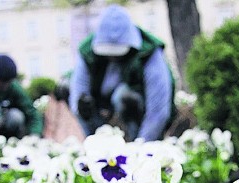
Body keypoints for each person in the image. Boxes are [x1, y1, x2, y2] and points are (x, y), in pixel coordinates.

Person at [69, 4, 176, 141]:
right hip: (101, 111)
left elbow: (158, 110)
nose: (112, 57)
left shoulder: (148, 50)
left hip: (137, 111)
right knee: (75, 95)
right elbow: (78, 92)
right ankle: (98, 143)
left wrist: (142, 147)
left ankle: (134, 138)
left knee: (123, 96)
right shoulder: (87, 50)